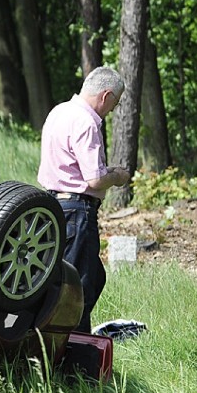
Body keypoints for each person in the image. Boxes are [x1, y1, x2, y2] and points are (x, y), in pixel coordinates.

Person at [37, 66, 130, 333]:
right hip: (78, 210)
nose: (113, 109)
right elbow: (95, 180)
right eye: (115, 102)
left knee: (63, 279)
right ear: (106, 95)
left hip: (53, 204)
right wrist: (117, 177)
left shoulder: (59, 111)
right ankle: (74, 350)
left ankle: (51, 341)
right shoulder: (87, 122)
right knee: (80, 286)